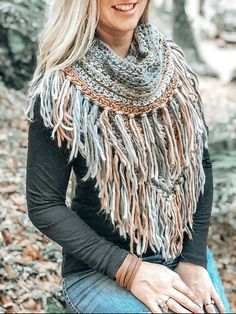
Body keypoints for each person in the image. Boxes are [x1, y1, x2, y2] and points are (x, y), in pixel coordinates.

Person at [25, 0, 231, 313]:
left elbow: (199, 165)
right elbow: (44, 205)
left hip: (180, 252)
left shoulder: (173, 67)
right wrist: (131, 270)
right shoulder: (60, 87)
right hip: (100, 268)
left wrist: (194, 259)